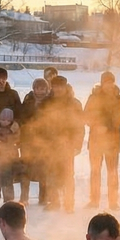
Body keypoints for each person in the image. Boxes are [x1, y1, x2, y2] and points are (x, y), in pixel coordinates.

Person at [85, 71, 120, 210]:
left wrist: (107, 126)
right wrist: (97, 125)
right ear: (102, 83)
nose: (109, 85)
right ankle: (94, 200)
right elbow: (86, 116)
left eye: (111, 82)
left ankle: (113, 201)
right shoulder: (93, 98)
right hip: (96, 141)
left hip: (112, 141)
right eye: (106, 82)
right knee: (95, 171)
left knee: (112, 172)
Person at [39, 76, 83, 213]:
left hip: (67, 145)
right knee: (50, 174)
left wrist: (78, 144)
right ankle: (54, 201)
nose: (58, 89)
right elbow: (39, 123)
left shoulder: (74, 103)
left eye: (60, 86)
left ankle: (69, 203)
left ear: (65, 87)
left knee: (68, 175)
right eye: (55, 86)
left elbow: (79, 126)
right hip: (50, 144)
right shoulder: (46, 102)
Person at [19, 78, 51, 205]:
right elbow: (22, 116)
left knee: (43, 170)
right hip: (28, 140)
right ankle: (24, 197)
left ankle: (43, 197)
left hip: (44, 141)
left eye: (43, 88)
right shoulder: (28, 100)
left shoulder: (50, 101)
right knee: (25, 169)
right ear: (34, 89)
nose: (40, 91)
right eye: (38, 88)